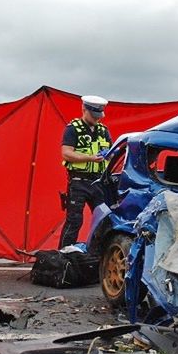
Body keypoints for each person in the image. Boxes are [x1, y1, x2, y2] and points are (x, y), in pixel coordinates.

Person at [58, 95, 112, 248]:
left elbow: (111, 151)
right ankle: (63, 255)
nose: (97, 119)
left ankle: (97, 254)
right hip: (78, 182)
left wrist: (109, 155)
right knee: (74, 220)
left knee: (104, 219)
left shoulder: (103, 130)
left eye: (99, 115)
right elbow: (66, 153)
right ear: (84, 110)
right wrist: (90, 158)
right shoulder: (73, 129)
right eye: (94, 115)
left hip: (98, 181)